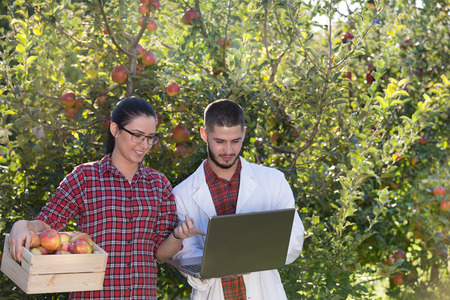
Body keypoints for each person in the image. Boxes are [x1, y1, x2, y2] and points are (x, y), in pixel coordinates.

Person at [8, 97, 204, 299]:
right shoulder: (85, 178)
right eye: (137, 136)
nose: (144, 145)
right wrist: (23, 225)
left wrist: (178, 235)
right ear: (115, 130)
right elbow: (48, 222)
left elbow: (160, 254)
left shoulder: (158, 184)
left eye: (150, 138)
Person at [172, 99, 305, 299]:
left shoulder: (273, 181)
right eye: (220, 141)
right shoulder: (181, 195)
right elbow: (184, 256)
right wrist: (219, 265)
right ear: (204, 135)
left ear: (243, 133)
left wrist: (250, 257)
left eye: (235, 141)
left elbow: (294, 239)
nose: (228, 151)